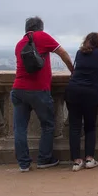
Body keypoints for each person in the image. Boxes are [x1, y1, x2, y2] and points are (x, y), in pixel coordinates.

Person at [11, 16, 74, 172]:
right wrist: (73, 71)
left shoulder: (19, 44)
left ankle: (24, 164)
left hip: (18, 89)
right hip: (38, 90)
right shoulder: (42, 36)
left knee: (19, 129)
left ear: (26, 28)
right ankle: (44, 159)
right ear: (41, 27)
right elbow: (63, 53)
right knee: (47, 125)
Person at [65, 32, 98, 172]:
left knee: (74, 127)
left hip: (73, 92)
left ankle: (76, 161)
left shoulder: (80, 53)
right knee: (90, 126)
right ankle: (89, 158)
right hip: (91, 93)